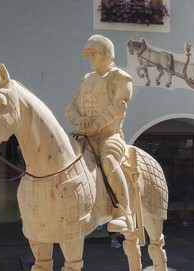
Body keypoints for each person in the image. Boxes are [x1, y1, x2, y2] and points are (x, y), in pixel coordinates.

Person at [65, 34, 133, 233]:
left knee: (109, 161)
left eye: (94, 54)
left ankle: (123, 212)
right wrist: (77, 119)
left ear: (107, 54)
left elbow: (119, 107)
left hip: (109, 136)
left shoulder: (120, 78)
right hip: (83, 136)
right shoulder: (86, 79)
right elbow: (71, 107)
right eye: (89, 55)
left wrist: (97, 125)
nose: (90, 59)